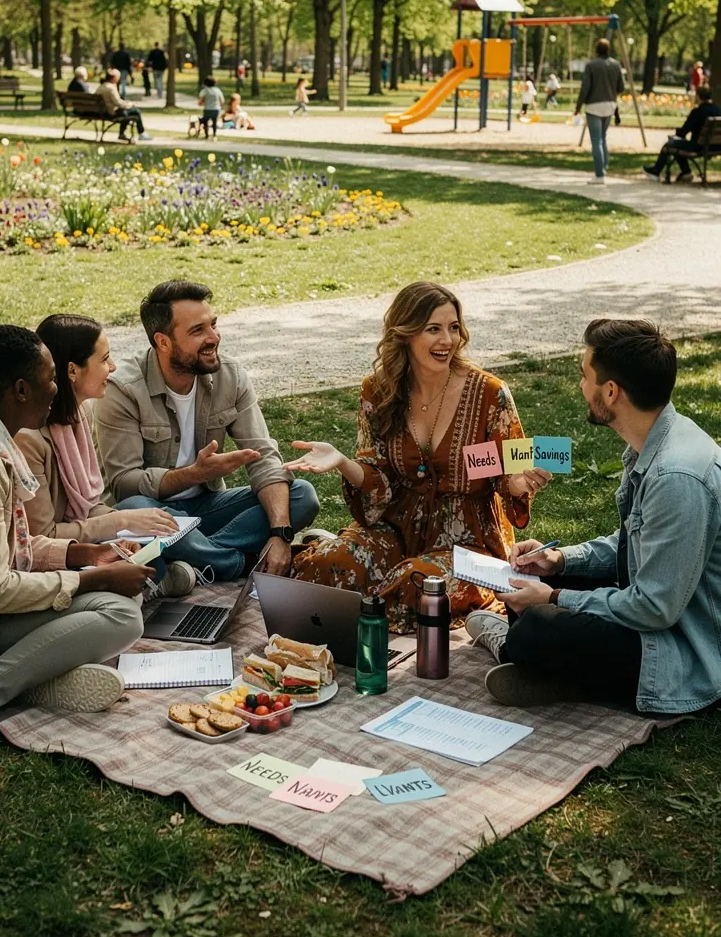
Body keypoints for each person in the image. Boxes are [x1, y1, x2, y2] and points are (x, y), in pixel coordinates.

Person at [0, 326, 154, 759]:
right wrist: (91, 581)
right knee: (120, 615)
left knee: (122, 606)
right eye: (52, 378)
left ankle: (31, 681)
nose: (57, 389)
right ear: (21, 390)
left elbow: (11, 547)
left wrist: (84, 555)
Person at [469, 318, 721, 715]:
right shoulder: (653, 443)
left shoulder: (676, 477)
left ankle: (520, 651)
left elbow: (656, 608)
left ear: (610, 391)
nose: (581, 387)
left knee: (537, 626)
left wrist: (554, 598)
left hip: (681, 649)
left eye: (584, 376)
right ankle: (556, 671)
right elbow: (638, 544)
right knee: (536, 577)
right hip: (656, 609)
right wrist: (562, 560)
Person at [288, 283, 551, 633]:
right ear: (406, 334)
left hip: (468, 541)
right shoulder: (379, 390)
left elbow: (505, 466)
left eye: (454, 327)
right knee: (327, 566)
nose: (448, 340)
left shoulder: (490, 393)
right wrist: (341, 461)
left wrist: (517, 483)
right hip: (394, 526)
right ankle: (342, 570)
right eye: (434, 329)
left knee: (419, 586)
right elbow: (377, 477)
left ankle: (369, 615)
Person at [92, 280, 320, 583]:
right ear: (163, 342)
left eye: (213, 324)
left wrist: (280, 533)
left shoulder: (230, 375)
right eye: (198, 331)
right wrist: (193, 474)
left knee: (300, 494)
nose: (214, 337)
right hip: (150, 513)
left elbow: (264, 458)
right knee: (135, 508)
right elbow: (125, 486)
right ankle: (239, 562)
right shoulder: (123, 390)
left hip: (206, 509)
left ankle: (194, 557)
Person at [17, 315, 194, 597]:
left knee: (156, 521)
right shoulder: (29, 440)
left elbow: (91, 503)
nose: (112, 368)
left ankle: (162, 576)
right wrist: (121, 522)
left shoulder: (81, 413)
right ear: (73, 370)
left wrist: (130, 526)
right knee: (141, 529)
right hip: (55, 562)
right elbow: (43, 538)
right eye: (105, 360)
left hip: (90, 539)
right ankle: (177, 575)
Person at [642, 85, 721, 184]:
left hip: (698, 147)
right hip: (716, 147)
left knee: (670, 144)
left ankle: (656, 171)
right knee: (676, 144)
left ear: (698, 96)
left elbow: (683, 132)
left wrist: (677, 134)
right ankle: (685, 172)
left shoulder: (697, 112)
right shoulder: (718, 111)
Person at [574, 38, 624, 184]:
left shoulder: (591, 65)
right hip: (609, 105)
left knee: (596, 140)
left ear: (596, 50)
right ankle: (603, 167)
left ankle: (599, 174)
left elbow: (585, 88)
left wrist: (578, 107)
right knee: (603, 137)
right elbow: (621, 87)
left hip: (594, 105)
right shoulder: (615, 65)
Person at [96, 68, 153, 142]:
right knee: (136, 112)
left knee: (127, 112)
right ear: (114, 78)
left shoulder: (102, 86)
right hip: (110, 112)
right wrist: (129, 105)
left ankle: (122, 134)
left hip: (102, 111)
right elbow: (118, 102)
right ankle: (141, 133)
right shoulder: (111, 88)